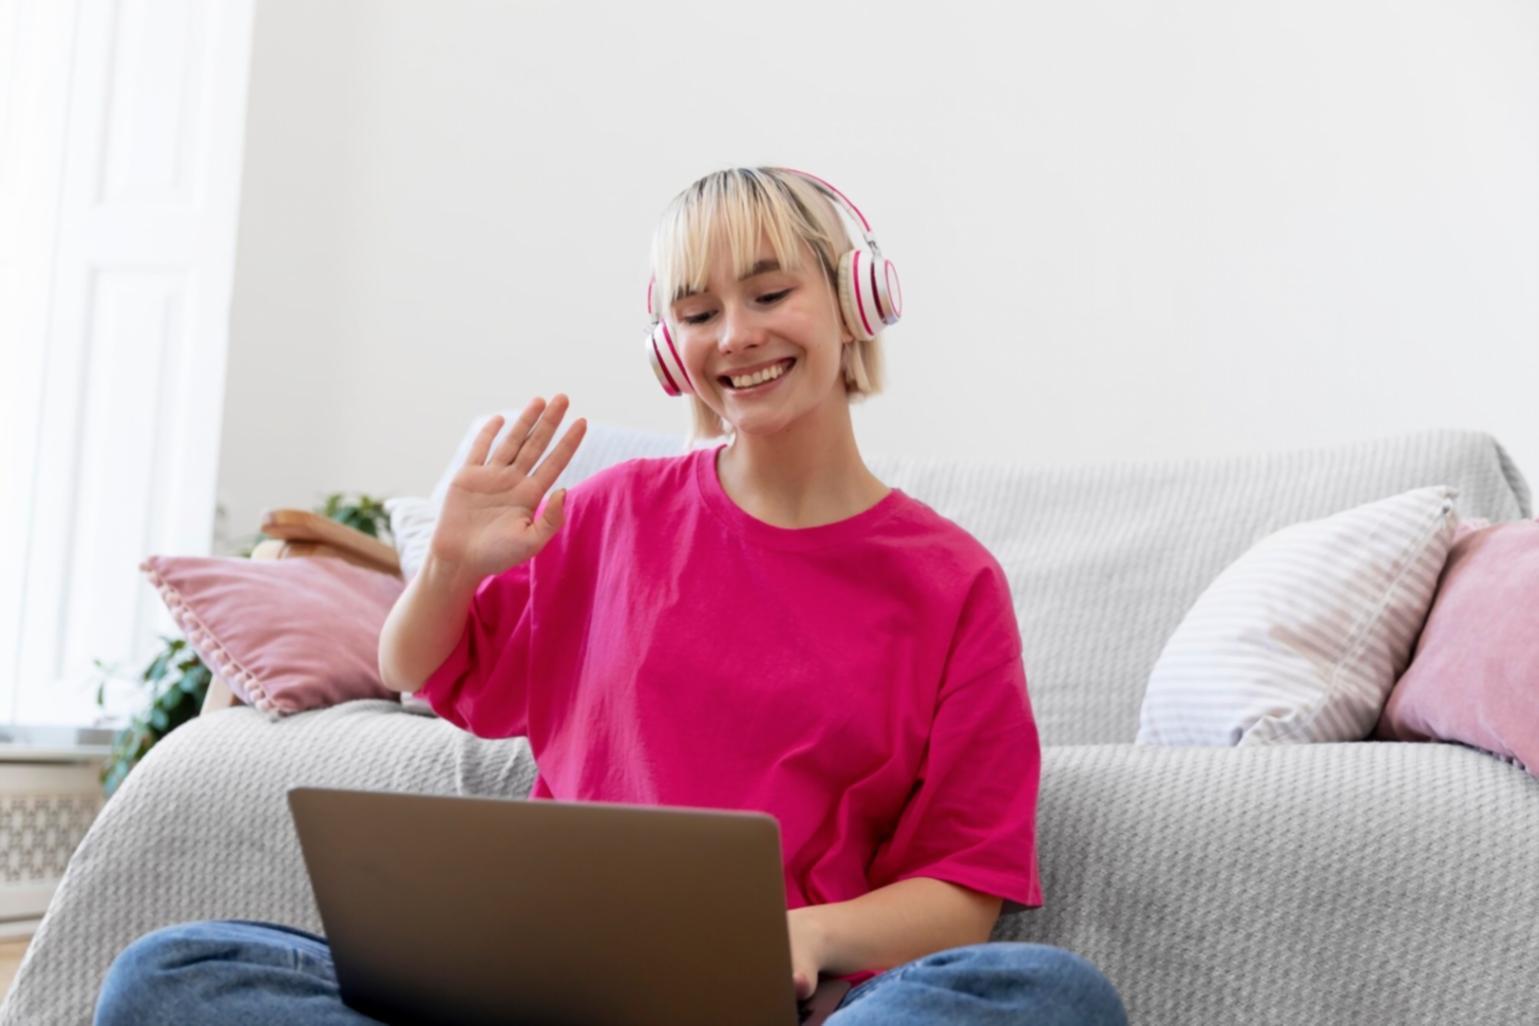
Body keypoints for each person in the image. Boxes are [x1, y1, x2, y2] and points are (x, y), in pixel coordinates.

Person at [94, 167, 1127, 1025]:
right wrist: (450, 564)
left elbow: (965, 894)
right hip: (546, 984)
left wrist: (804, 935)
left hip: (779, 1002)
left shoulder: (952, 583)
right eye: (696, 312)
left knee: (1047, 996)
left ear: (858, 298)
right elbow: (420, 669)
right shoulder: (609, 514)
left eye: (770, 295)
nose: (735, 337)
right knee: (171, 974)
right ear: (668, 347)